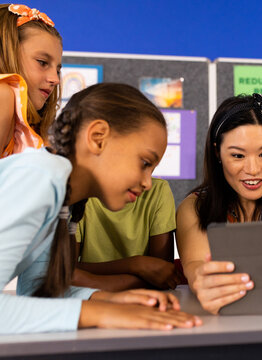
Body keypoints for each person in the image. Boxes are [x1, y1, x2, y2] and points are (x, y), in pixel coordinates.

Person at [0, 83, 201, 334]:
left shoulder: (65, 200)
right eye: (145, 163)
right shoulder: (40, 177)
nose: (148, 182)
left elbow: (37, 291)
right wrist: (101, 313)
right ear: (98, 138)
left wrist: (105, 299)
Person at [176, 93, 262, 315]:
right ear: (217, 152)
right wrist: (203, 283)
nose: (253, 169)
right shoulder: (194, 208)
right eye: (238, 156)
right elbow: (196, 268)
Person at [72, 177, 182, 291]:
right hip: (89, 301)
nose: (147, 183)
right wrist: (135, 265)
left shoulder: (157, 191)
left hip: (136, 301)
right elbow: (65, 271)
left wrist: (90, 280)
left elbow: (163, 275)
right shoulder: (79, 194)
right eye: (145, 163)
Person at [0, 4, 62, 157]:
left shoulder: (30, 124)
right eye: (42, 62)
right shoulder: (3, 94)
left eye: (58, 70)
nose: (55, 79)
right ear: (6, 53)